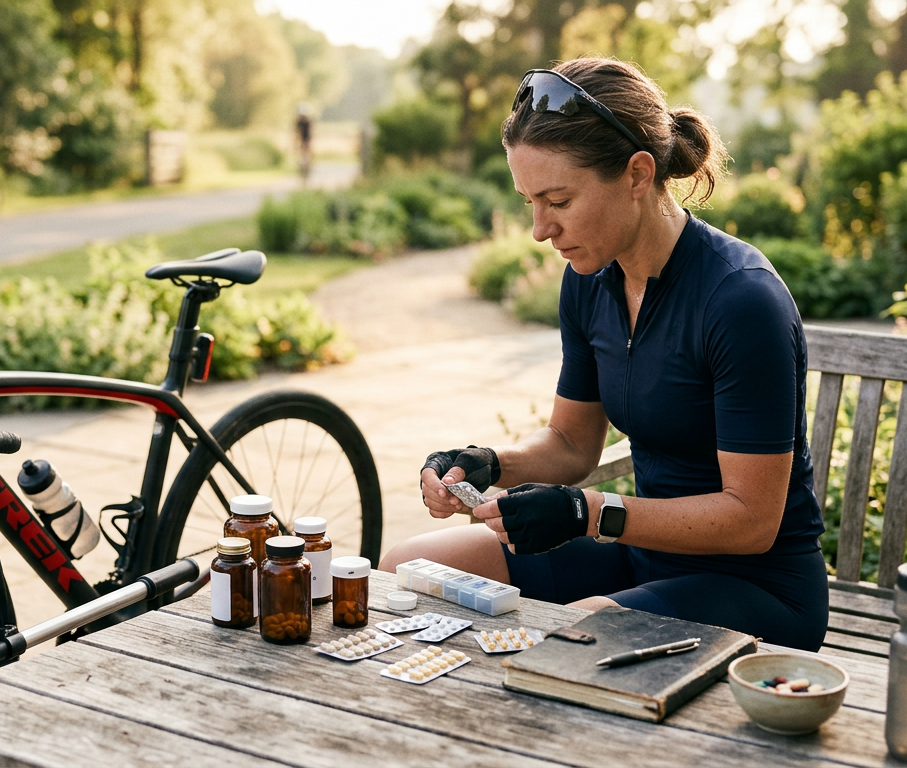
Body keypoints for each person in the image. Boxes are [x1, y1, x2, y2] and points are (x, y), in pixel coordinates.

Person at [378, 58, 829, 652]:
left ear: (638, 174)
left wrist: (587, 513)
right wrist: (488, 462)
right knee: (406, 566)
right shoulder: (591, 280)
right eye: (529, 201)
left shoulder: (740, 300)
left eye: (558, 200)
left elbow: (751, 518)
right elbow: (570, 446)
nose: (540, 229)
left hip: (754, 585)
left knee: (571, 643)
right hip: (638, 553)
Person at [294, 102, 313, 184]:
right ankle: (303, 169)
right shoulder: (299, 122)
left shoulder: (307, 121)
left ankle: (307, 167)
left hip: (307, 140)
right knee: (303, 154)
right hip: (302, 140)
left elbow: (310, 132)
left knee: (306, 154)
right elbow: (296, 132)